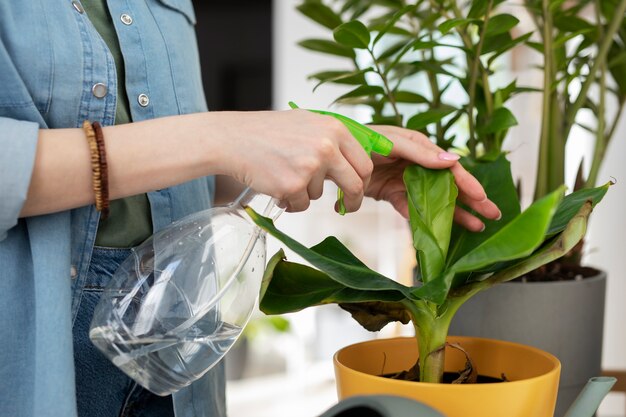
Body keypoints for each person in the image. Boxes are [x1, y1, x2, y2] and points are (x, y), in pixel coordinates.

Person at [0, 1, 501, 417]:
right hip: (34, 347)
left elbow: (174, 177)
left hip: (182, 341)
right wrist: (222, 135)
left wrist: (330, 154)